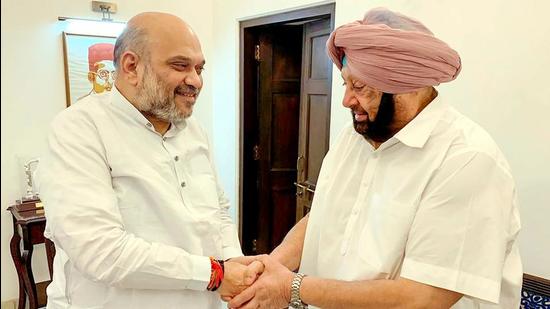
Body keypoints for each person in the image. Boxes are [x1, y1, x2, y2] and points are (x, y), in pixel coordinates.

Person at [228, 7, 522, 309]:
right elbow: (323, 216)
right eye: (346, 84)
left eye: (360, 87)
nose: (346, 100)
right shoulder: (353, 137)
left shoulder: (467, 160)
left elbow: (423, 298)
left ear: (408, 85)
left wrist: (291, 288)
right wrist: (271, 266)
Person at [37, 12, 262, 309]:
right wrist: (216, 274)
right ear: (132, 66)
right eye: (180, 65)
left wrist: (234, 264)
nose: (195, 80)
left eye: (199, 68)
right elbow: (101, 251)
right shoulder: (80, 128)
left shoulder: (192, 129)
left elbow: (216, 212)